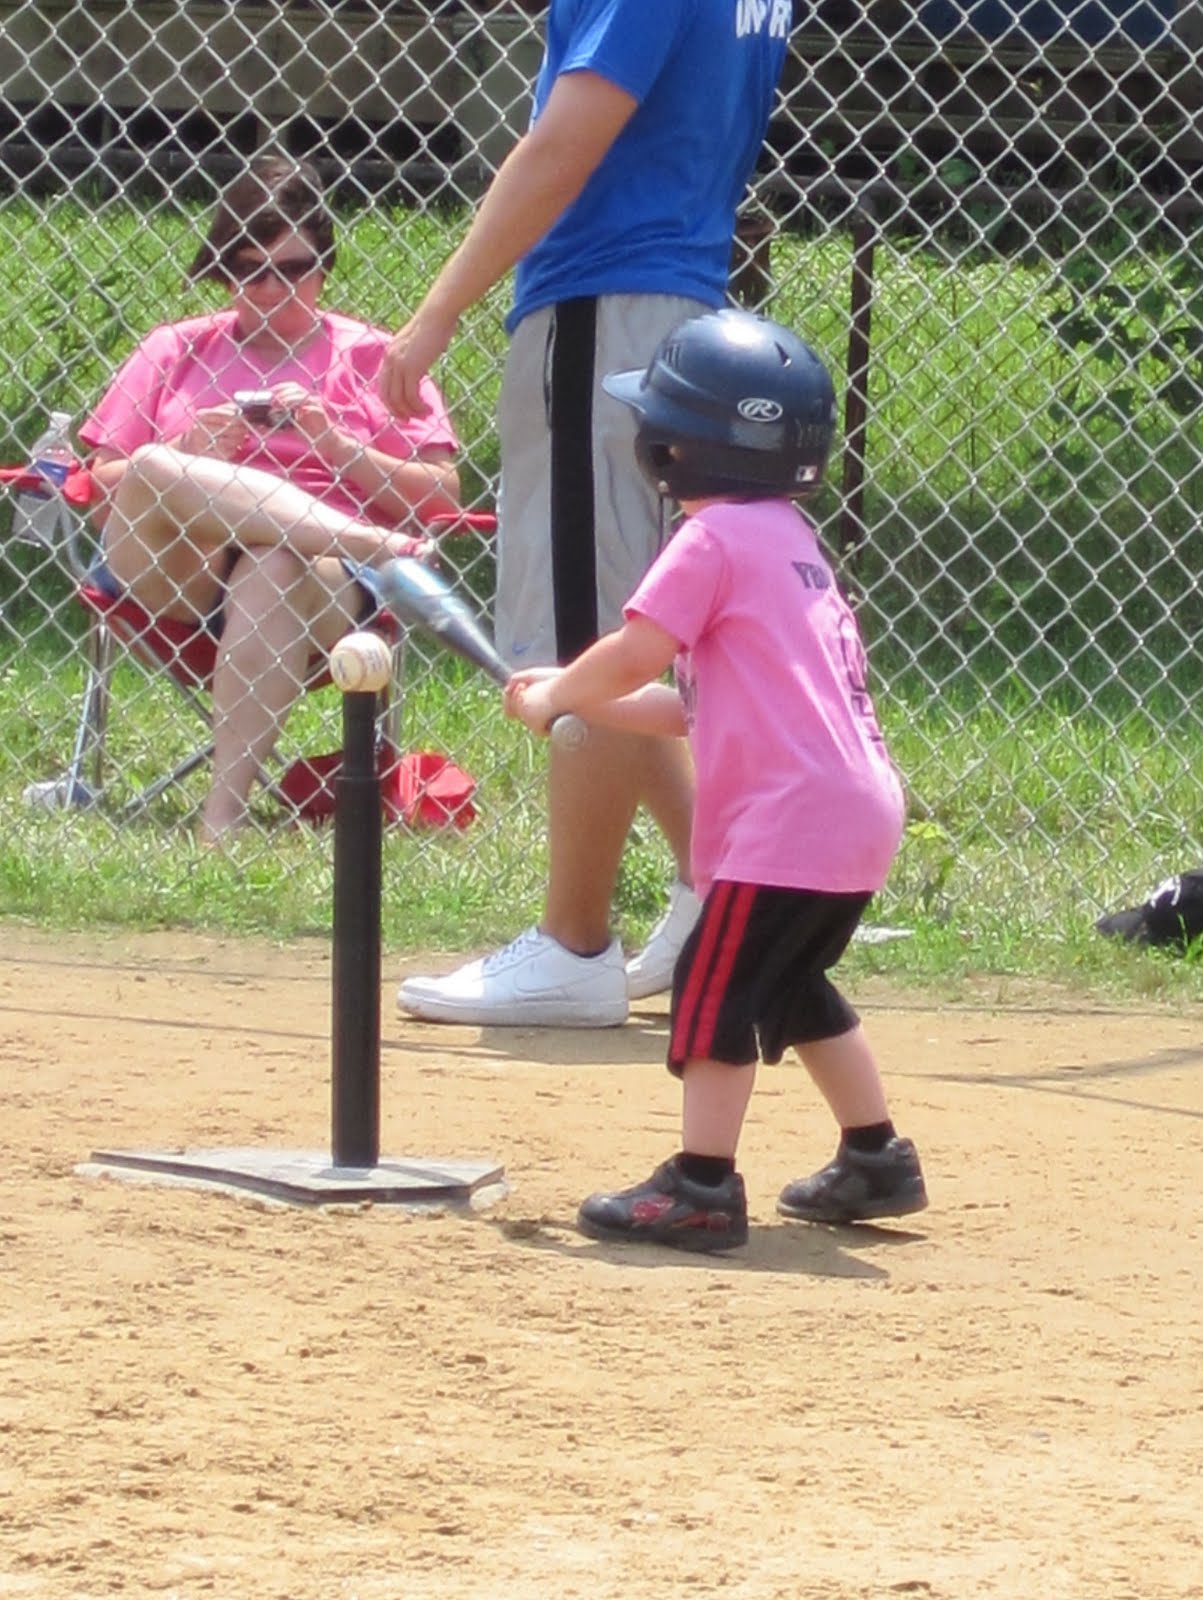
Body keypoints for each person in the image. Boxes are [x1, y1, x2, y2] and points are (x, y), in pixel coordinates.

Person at [382, 0, 791, 1027]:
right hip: (667, 297)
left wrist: (435, 313)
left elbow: (564, 143)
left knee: (588, 646)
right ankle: (720, 898)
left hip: (603, 300)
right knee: (616, 631)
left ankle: (574, 946)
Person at [504, 308, 928, 1252]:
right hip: (849, 812)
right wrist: (574, 699)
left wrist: (561, 694)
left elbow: (634, 652)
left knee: (712, 988)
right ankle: (874, 1158)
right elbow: (690, 702)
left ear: (676, 448)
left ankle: (701, 1186)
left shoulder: (712, 540)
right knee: (790, 983)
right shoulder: (787, 541)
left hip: (787, 821)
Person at [80, 153, 461, 842]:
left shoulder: (372, 357)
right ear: (223, 273)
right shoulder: (175, 349)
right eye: (250, 270)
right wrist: (194, 452)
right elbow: (106, 489)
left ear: (327, 261)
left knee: (276, 561)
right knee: (152, 462)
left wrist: (336, 447)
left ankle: (219, 823)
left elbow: (439, 496)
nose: (274, 289)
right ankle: (368, 542)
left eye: (295, 267)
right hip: (178, 567)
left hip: (316, 585)